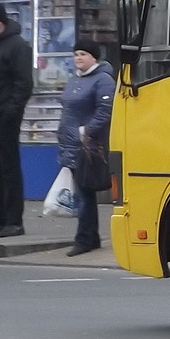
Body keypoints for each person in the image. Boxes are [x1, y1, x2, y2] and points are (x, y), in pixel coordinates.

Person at [58, 39, 115, 256]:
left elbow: (105, 110)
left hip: (88, 147)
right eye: (76, 54)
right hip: (70, 144)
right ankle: (90, 237)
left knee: (85, 193)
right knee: (83, 194)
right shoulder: (74, 79)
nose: (78, 58)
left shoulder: (103, 80)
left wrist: (86, 131)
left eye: (83, 54)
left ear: (94, 57)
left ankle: (84, 239)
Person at [0, 4, 33, 237]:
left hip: (6, 116)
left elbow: (23, 84)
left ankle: (13, 221)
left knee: (8, 167)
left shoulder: (17, 46)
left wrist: (10, 111)